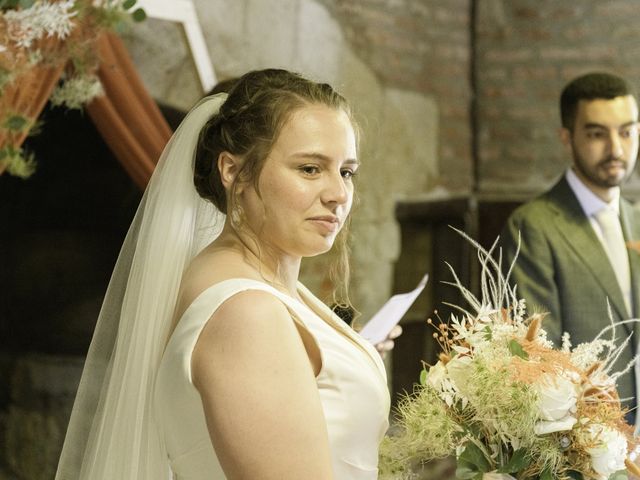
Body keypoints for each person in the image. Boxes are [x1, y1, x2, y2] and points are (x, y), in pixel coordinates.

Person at [55, 69, 392, 479]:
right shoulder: (246, 313)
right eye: (309, 169)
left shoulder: (264, 284)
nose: (338, 194)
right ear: (233, 171)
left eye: (346, 172)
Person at [501, 72, 640, 419]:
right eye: (597, 134)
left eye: (626, 131)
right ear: (567, 137)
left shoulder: (636, 219)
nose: (616, 149)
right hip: (586, 443)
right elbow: (537, 355)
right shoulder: (533, 226)